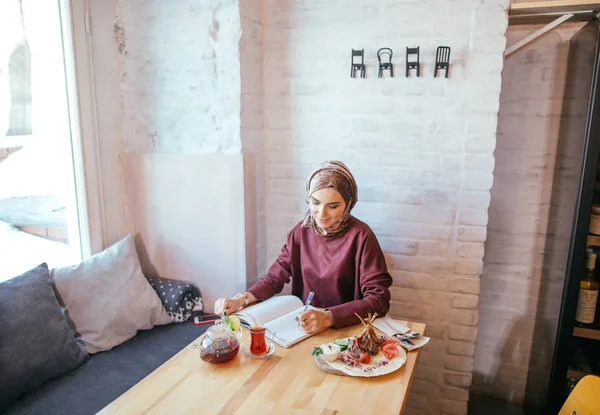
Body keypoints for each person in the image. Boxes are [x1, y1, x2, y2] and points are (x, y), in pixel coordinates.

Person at [214, 161, 392, 334]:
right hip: (303, 328)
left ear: (349, 203)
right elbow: (275, 278)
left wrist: (329, 317)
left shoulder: (361, 236)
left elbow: (379, 301)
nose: (321, 214)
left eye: (333, 206)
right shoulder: (301, 232)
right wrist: (241, 300)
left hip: (345, 332)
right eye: (315, 203)